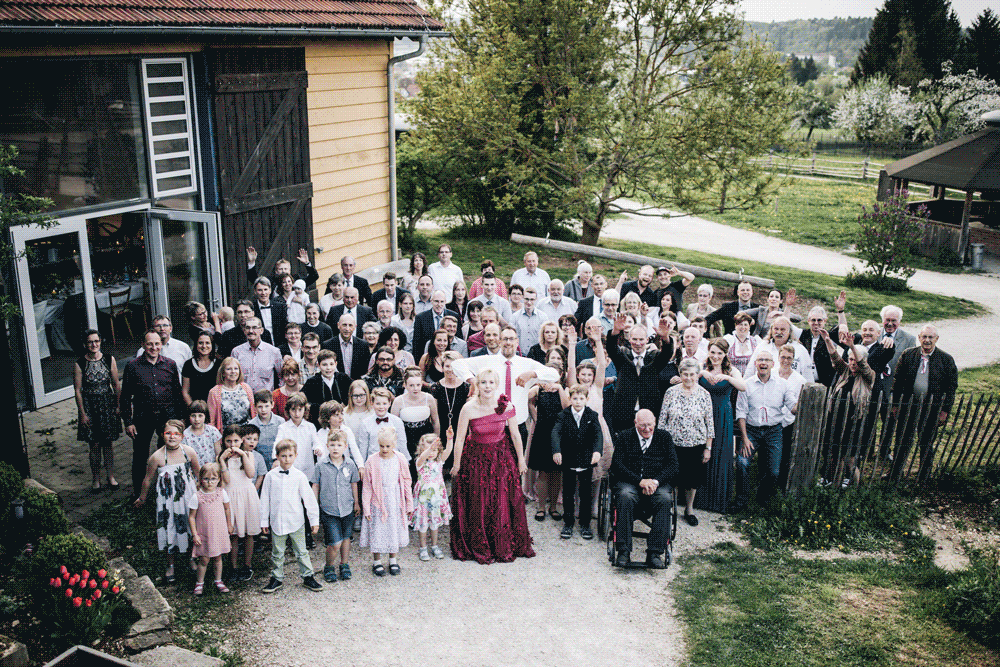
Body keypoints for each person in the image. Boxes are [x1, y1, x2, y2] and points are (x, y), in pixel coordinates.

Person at [450, 368, 536, 563]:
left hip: (500, 459)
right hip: (475, 459)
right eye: (483, 382)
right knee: (479, 501)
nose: (487, 386)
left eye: (491, 382)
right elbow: (460, 438)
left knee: (500, 500)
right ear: (477, 385)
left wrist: (521, 460)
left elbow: (515, 435)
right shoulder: (468, 408)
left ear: (496, 385)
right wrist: (456, 464)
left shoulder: (506, 406)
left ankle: (500, 542)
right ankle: (480, 543)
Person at [452, 326, 560, 445]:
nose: (508, 342)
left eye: (511, 339)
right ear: (499, 341)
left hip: (518, 426)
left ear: (517, 342)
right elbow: (456, 364)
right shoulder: (487, 361)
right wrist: (472, 380)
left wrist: (532, 374)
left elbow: (554, 375)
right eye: (505, 339)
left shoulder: (527, 364)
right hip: (493, 426)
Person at [609, 410, 679, 569]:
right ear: (635, 423)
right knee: (625, 496)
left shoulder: (664, 437)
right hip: (630, 483)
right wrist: (639, 481)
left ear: (655, 422)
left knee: (665, 499)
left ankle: (655, 553)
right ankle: (623, 551)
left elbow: (673, 466)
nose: (647, 429)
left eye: (650, 425)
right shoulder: (625, 436)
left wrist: (655, 482)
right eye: (642, 425)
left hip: (656, 484)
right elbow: (617, 465)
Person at [121, 329, 185, 499]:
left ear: (161, 344)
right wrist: (128, 422)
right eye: (149, 344)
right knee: (140, 455)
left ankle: (167, 490)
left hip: (167, 417)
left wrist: (180, 418)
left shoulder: (170, 364)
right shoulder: (132, 366)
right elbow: (125, 396)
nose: (154, 347)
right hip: (143, 417)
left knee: (168, 452)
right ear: (143, 345)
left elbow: (177, 392)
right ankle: (139, 494)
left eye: (157, 344)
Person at [134, 420, 200, 583]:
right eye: (168, 433)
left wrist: (201, 492)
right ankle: (170, 564)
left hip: (188, 497)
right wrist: (142, 498)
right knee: (169, 527)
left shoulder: (189, 452)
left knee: (190, 526)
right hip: (167, 500)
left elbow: (198, 473)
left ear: (182, 437)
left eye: (176, 434)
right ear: (162, 435)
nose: (172, 437)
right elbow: (147, 479)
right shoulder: (156, 457)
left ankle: (192, 558)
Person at [734, 350, 799, 511]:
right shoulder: (746, 385)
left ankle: (762, 497)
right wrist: (745, 438)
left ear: (772, 364)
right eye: (760, 360)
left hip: (773, 432)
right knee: (742, 463)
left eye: (767, 360)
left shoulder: (783, 384)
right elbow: (741, 413)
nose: (763, 363)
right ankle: (741, 501)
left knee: (773, 472)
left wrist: (806, 400)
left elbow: (792, 407)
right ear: (755, 363)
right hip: (751, 431)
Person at [891, 325, 958, 481]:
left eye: (930, 337)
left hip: (931, 408)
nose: (927, 340)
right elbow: (897, 381)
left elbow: (951, 387)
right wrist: (895, 405)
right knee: (902, 439)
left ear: (936, 339)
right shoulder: (908, 355)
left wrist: (945, 410)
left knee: (926, 441)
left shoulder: (946, 359)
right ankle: (895, 473)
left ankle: (924, 475)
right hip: (908, 405)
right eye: (924, 337)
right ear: (919, 338)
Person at [259, 439, 323, 593]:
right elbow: (264, 499)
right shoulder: (270, 476)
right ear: (277, 456)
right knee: (277, 552)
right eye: (283, 456)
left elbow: (309, 499)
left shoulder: (299, 476)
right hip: (277, 521)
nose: (287, 459)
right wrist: (264, 521)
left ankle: (308, 576)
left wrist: (314, 520)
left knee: (301, 551)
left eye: (290, 456)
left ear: (295, 456)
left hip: (296, 521)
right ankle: (276, 578)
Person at [658, 358, 714, 527]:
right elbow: (662, 420)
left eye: (692, 374)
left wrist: (708, 448)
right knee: (672, 478)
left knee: (692, 480)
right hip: (672, 445)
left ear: (697, 375)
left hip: (696, 444)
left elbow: (709, 423)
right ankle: (670, 509)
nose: (688, 378)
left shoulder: (704, 394)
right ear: (680, 374)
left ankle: (689, 510)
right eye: (685, 374)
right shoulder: (670, 392)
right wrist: (660, 444)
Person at [695, 339, 746, 515]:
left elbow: (743, 387)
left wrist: (727, 378)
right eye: (713, 352)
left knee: (720, 453)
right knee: (702, 453)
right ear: (708, 352)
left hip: (722, 415)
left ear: (725, 354)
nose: (715, 356)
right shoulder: (702, 366)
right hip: (702, 414)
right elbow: (688, 378)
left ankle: (717, 500)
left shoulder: (731, 370)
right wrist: (702, 373)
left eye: (719, 353)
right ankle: (699, 498)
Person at [821, 330, 875, 487]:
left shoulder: (868, 376)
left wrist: (852, 347)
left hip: (854, 422)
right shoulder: (845, 371)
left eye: (855, 360)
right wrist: (828, 341)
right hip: (836, 419)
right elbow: (835, 358)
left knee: (849, 457)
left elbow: (863, 365)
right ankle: (831, 481)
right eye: (850, 359)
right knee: (833, 453)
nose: (852, 363)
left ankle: (854, 485)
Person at [551, 383, 603, 540]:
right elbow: (556, 432)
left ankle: (585, 524)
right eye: (575, 398)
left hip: (586, 460)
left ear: (586, 399)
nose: (578, 402)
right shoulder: (563, 415)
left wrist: (597, 451)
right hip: (569, 459)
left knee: (585, 493)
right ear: (570, 399)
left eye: (581, 398)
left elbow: (598, 435)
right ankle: (568, 522)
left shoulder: (592, 415)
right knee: (568, 492)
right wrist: (557, 450)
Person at [361, 425, 414, 578]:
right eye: (381, 446)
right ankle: (377, 561)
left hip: (395, 499)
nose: (384, 449)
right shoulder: (372, 460)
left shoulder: (400, 458)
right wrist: (366, 507)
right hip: (377, 500)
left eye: (388, 446)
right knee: (377, 529)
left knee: (393, 528)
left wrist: (409, 503)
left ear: (394, 444)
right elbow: (367, 486)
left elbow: (406, 481)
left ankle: (393, 559)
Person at [606, 314, 674, 433]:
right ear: (629, 339)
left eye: (641, 339)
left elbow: (667, 354)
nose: (638, 343)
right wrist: (615, 331)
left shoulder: (654, 357)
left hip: (649, 411)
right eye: (635, 339)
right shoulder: (623, 356)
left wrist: (665, 337)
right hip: (624, 413)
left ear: (647, 340)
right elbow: (611, 348)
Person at [74, 329, 122, 492]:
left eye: (96, 341)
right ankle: (96, 479)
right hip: (90, 406)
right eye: (90, 342)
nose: (94, 344)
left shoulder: (109, 359)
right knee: (94, 445)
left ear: (100, 342)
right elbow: (78, 391)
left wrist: (118, 405)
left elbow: (116, 384)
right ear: (85, 344)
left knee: (108, 443)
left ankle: (110, 476)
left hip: (107, 405)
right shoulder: (80, 363)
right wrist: (82, 413)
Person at [311, 430, 361, 583]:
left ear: (345, 447)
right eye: (332, 445)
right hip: (329, 509)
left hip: (347, 508)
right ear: (327, 446)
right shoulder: (321, 465)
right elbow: (315, 485)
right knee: (335, 542)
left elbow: (353, 483)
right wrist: (314, 506)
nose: (335, 448)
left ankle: (344, 564)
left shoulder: (350, 464)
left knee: (346, 538)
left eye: (339, 445)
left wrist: (356, 502)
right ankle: (329, 566)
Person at [217, 424, 261, 582]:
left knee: (249, 533)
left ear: (242, 440)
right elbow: (226, 480)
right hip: (231, 496)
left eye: (236, 441)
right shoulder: (222, 457)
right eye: (228, 441)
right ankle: (233, 567)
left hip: (247, 496)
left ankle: (247, 565)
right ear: (224, 442)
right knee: (234, 534)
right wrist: (222, 460)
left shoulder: (248, 455)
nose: (232, 445)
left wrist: (242, 454)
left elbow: (250, 474)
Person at [527, 362, 569, 523]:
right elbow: (528, 400)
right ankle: (541, 507)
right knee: (543, 472)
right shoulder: (538, 389)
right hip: (542, 433)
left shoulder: (564, 390)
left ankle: (553, 507)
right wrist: (535, 416)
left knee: (557, 472)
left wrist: (559, 388)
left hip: (559, 435)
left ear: (560, 375)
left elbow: (567, 408)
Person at [187, 462, 232, 596]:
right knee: (204, 559)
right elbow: (191, 517)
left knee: (218, 557)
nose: (210, 482)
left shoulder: (221, 493)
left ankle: (218, 580)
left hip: (219, 532)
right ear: (201, 479)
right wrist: (195, 534)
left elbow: (227, 509)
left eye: (213, 479)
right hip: (204, 533)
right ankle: (199, 583)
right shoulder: (197, 496)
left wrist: (229, 524)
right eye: (206, 479)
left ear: (219, 479)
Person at [411, 433, 453, 561]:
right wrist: (429, 449)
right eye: (428, 450)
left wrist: (450, 439)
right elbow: (422, 457)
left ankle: (435, 546)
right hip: (424, 499)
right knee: (423, 524)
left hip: (436, 498)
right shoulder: (420, 462)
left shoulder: (439, 462)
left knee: (435, 523)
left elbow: (448, 451)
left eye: (434, 450)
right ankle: (423, 548)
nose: (431, 453)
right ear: (422, 450)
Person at [775, 343, 808, 491]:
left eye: (789, 358)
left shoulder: (799, 380)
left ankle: (782, 486)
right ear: (778, 357)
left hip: (788, 423)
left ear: (793, 359)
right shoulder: (772, 374)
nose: (786, 361)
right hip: (772, 421)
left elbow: (800, 403)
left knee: (785, 454)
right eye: (783, 357)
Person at [392, 368, 439, 463]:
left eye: (418, 385)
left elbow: (435, 421)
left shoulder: (429, 398)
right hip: (406, 437)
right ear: (405, 385)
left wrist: (436, 441)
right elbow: (393, 426)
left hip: (426, 436)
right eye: (411, 385)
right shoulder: (398, 401)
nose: (415, 388)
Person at [432, 352, 468, 470]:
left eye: (454, 366)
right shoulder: (436, 387)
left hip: (461, 429)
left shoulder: (466, 387)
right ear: (442, 367)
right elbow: (434, 415)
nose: (450, 370)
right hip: (442, 428)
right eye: (447, 366)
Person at [356, 388, 410, 462]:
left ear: (389, 404)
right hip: (374, 461)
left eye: (384, 404)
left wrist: (406, 460)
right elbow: (363, 446)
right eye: (378, 404)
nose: (381, 407)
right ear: (372, 403)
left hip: (394, 460)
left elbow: (402, 443)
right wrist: (362, 464)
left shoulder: (397, 421)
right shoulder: (366, 423)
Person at [231, 317, 283, 394]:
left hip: (265, 399)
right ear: (244, 331)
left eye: (254, 328)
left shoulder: (273, 352)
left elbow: (282, 377)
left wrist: (278, 394)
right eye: (248, 328)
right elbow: (231, 377)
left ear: (261, 330)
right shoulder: (237, 352)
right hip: (243, 397)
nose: (251, 331)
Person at [274, 393, 320, 479]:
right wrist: (276, 459)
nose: (297, 413)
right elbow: (277, 444)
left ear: (305, 409)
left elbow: (316, 442)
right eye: (293, 409)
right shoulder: (283, 427)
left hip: (307, 469)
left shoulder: (310, 427)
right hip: (290, 468)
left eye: (300, 409)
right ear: (288, 410)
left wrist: (318, 448)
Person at [207, 357, 256, 430]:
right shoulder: (214, 392)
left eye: (236, 368)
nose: (233, 371)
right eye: (229, 369)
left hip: (247, 432)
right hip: (226, 433)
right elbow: (212, 420)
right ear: (223, 373)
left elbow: (254, 412)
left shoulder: (246, 388)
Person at [246, 246, 320, 294]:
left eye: (285, 269)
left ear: (290, 270)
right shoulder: (271, 280)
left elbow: (314, 276)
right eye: (280, 269)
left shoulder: (296, 279)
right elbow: (254, 279)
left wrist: (307, 263)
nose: (283, 271)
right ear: (276, 271)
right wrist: (252, 262)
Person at [412, 290, 460, 362]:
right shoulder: (421, 318)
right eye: (436, 301)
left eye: (442, 301)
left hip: (449, 358)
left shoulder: (454, 315)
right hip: (428, 358)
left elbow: (458, 336)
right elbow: (417, 343)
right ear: (431, 301)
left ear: (445, 302)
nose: (439, 304)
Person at [323, 313, 370, 381]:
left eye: (350, 325)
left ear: (355, 327)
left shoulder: (363, 345)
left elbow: (365, 370)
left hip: (357, 384)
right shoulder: (327, 345)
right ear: (338, 325)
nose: (347, 329)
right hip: (335, 384)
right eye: (344, 325)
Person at [248, 390, 284, 471]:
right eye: (260, 407)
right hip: (259, 464)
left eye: (266, 406)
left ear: (272, 405)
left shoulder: (280, 422)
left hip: (278, 463)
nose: (263, 410)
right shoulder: (251, 424)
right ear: (255, 407)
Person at [182, 331, 221, 406]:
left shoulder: (219, 364)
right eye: (200, 343)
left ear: (212, 345)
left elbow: (221, 390)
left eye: (207, 343)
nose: (204, 346)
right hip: (194, 408)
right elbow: (185, 392)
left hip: (215, 407)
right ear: (196, 344)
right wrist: (194, 408)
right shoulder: (188, 364)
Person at [250, 277, 289, 348]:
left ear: (270, 290)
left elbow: (285, 328)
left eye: (265, 289)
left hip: (280, 346)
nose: (263, 293)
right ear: (255, 291)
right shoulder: (252, 309)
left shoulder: (280, 307)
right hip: (260, 347)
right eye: (260, 290)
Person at [183, 400, 222, 467]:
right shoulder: (185, 435)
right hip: (194, 470)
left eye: (200, 416)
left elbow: (218, 454)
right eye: (193, 416)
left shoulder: (212, 431)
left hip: (212, 469)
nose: (197, 419)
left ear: (205, 416)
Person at [723, 312, 761, 377]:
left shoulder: (756, 341)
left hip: (751, 378)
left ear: (749, 327)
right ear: (735, 326)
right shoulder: (728, 340)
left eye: (745, 325)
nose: (743, 327)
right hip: (732, 377)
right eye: (740, 324)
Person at [509, 287, 546, 351]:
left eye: (532, 299)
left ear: (536, 299)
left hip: (537, 354)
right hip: (520, 353)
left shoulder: (543, 317)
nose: (529, 302)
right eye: (527, 299)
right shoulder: (515, 317)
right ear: (523, 298)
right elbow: (510, 336)